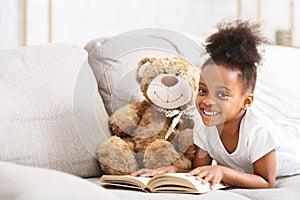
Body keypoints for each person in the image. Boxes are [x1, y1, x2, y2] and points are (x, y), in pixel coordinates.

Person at [131, 20, 300, 189]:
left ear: (246, 102)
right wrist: (172, 170)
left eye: (222, 94)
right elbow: (199, 170)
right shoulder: (204, 126)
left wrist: (223, 171)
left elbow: (266, 182)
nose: (207, 101)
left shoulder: (258, 132)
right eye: (203, 91)